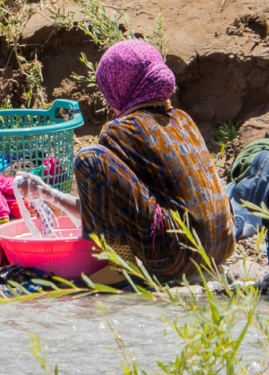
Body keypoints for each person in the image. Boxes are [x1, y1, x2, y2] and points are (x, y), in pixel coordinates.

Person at [18, 39, 235, 281]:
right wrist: (48, 194)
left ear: (120, 86)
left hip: (175, 258)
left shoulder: (121, 132)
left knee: (88, 158)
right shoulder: (184, 120)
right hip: (221, 249)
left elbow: (108, 216)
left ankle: (118, 268)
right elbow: (105, 212)